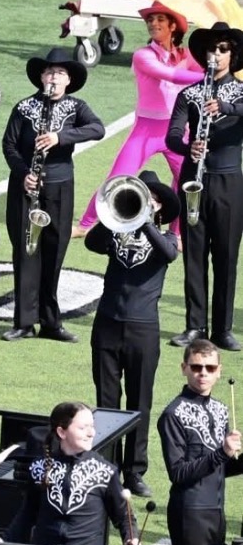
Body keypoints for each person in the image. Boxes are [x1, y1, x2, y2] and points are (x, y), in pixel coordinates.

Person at [85, 170, 181, 498]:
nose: (146, 203)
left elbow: (169, 255)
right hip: (107, 324)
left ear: (160, 208)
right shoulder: (115, 232)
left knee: (139, 401)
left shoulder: (166, 238)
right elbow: (91, 241)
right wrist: (117, 218)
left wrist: (146, 222)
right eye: (142, 197)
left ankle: (134, 471)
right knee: (107, 401)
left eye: (151, 199)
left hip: (143, 328)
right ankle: (106, 467)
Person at [1, 47, 105, 343]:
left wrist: (61, 137)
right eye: (49, 72)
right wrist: (24, 174)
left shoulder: (76, 107)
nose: (53, 77)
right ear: (40, 77)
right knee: (25, 250)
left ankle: (50, 321)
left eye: (59, 73)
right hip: (26, 186)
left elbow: (97, 129)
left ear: (68, 80)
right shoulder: (24, 108)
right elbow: (8, 145)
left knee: (54, 249)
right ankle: (23, 322)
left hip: (60, 185)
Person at [75, 2, 202, 237]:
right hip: (146, 130)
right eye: (150, 20)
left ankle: (176, 233)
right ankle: (85, 225)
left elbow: (201, 68)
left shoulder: (187, 56)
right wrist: (209, 78)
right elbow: (170, 75)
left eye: (159, 20)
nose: (153, 24)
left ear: (173, 25)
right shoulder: (143, 55)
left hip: (175, 129)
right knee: (117, 177)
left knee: (186, 180)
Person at [4, 401, 140, 545]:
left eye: (92, 427)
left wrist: (130, 542)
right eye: (84, 428)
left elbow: (124, 517)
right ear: (61, 432)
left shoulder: (105, 472)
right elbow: (27, 514)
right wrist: (4, 541)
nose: (91, 433)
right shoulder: (38, 468)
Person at [166, 21, 243, 352]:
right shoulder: (190, 94)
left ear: (232, 54)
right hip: (194, 179)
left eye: (224, 49)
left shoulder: (240, 93)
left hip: (228, 181)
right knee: (194, 255)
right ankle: (195, 325)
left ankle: (223, 328)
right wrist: (187, 147)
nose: (217, 54)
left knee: (226, 255)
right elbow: (172, 133)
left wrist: (223, 107)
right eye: (213, 48)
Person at [158, 339, 243, 545]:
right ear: (184, 368)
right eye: (196, 367)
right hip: (189, 511)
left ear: (219, 371)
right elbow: (178, 472)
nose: (202, 373)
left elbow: (220, 468)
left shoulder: (220, 409)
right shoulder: (173, 414)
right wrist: (222, 453)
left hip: (215, 510)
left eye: (209, 367)